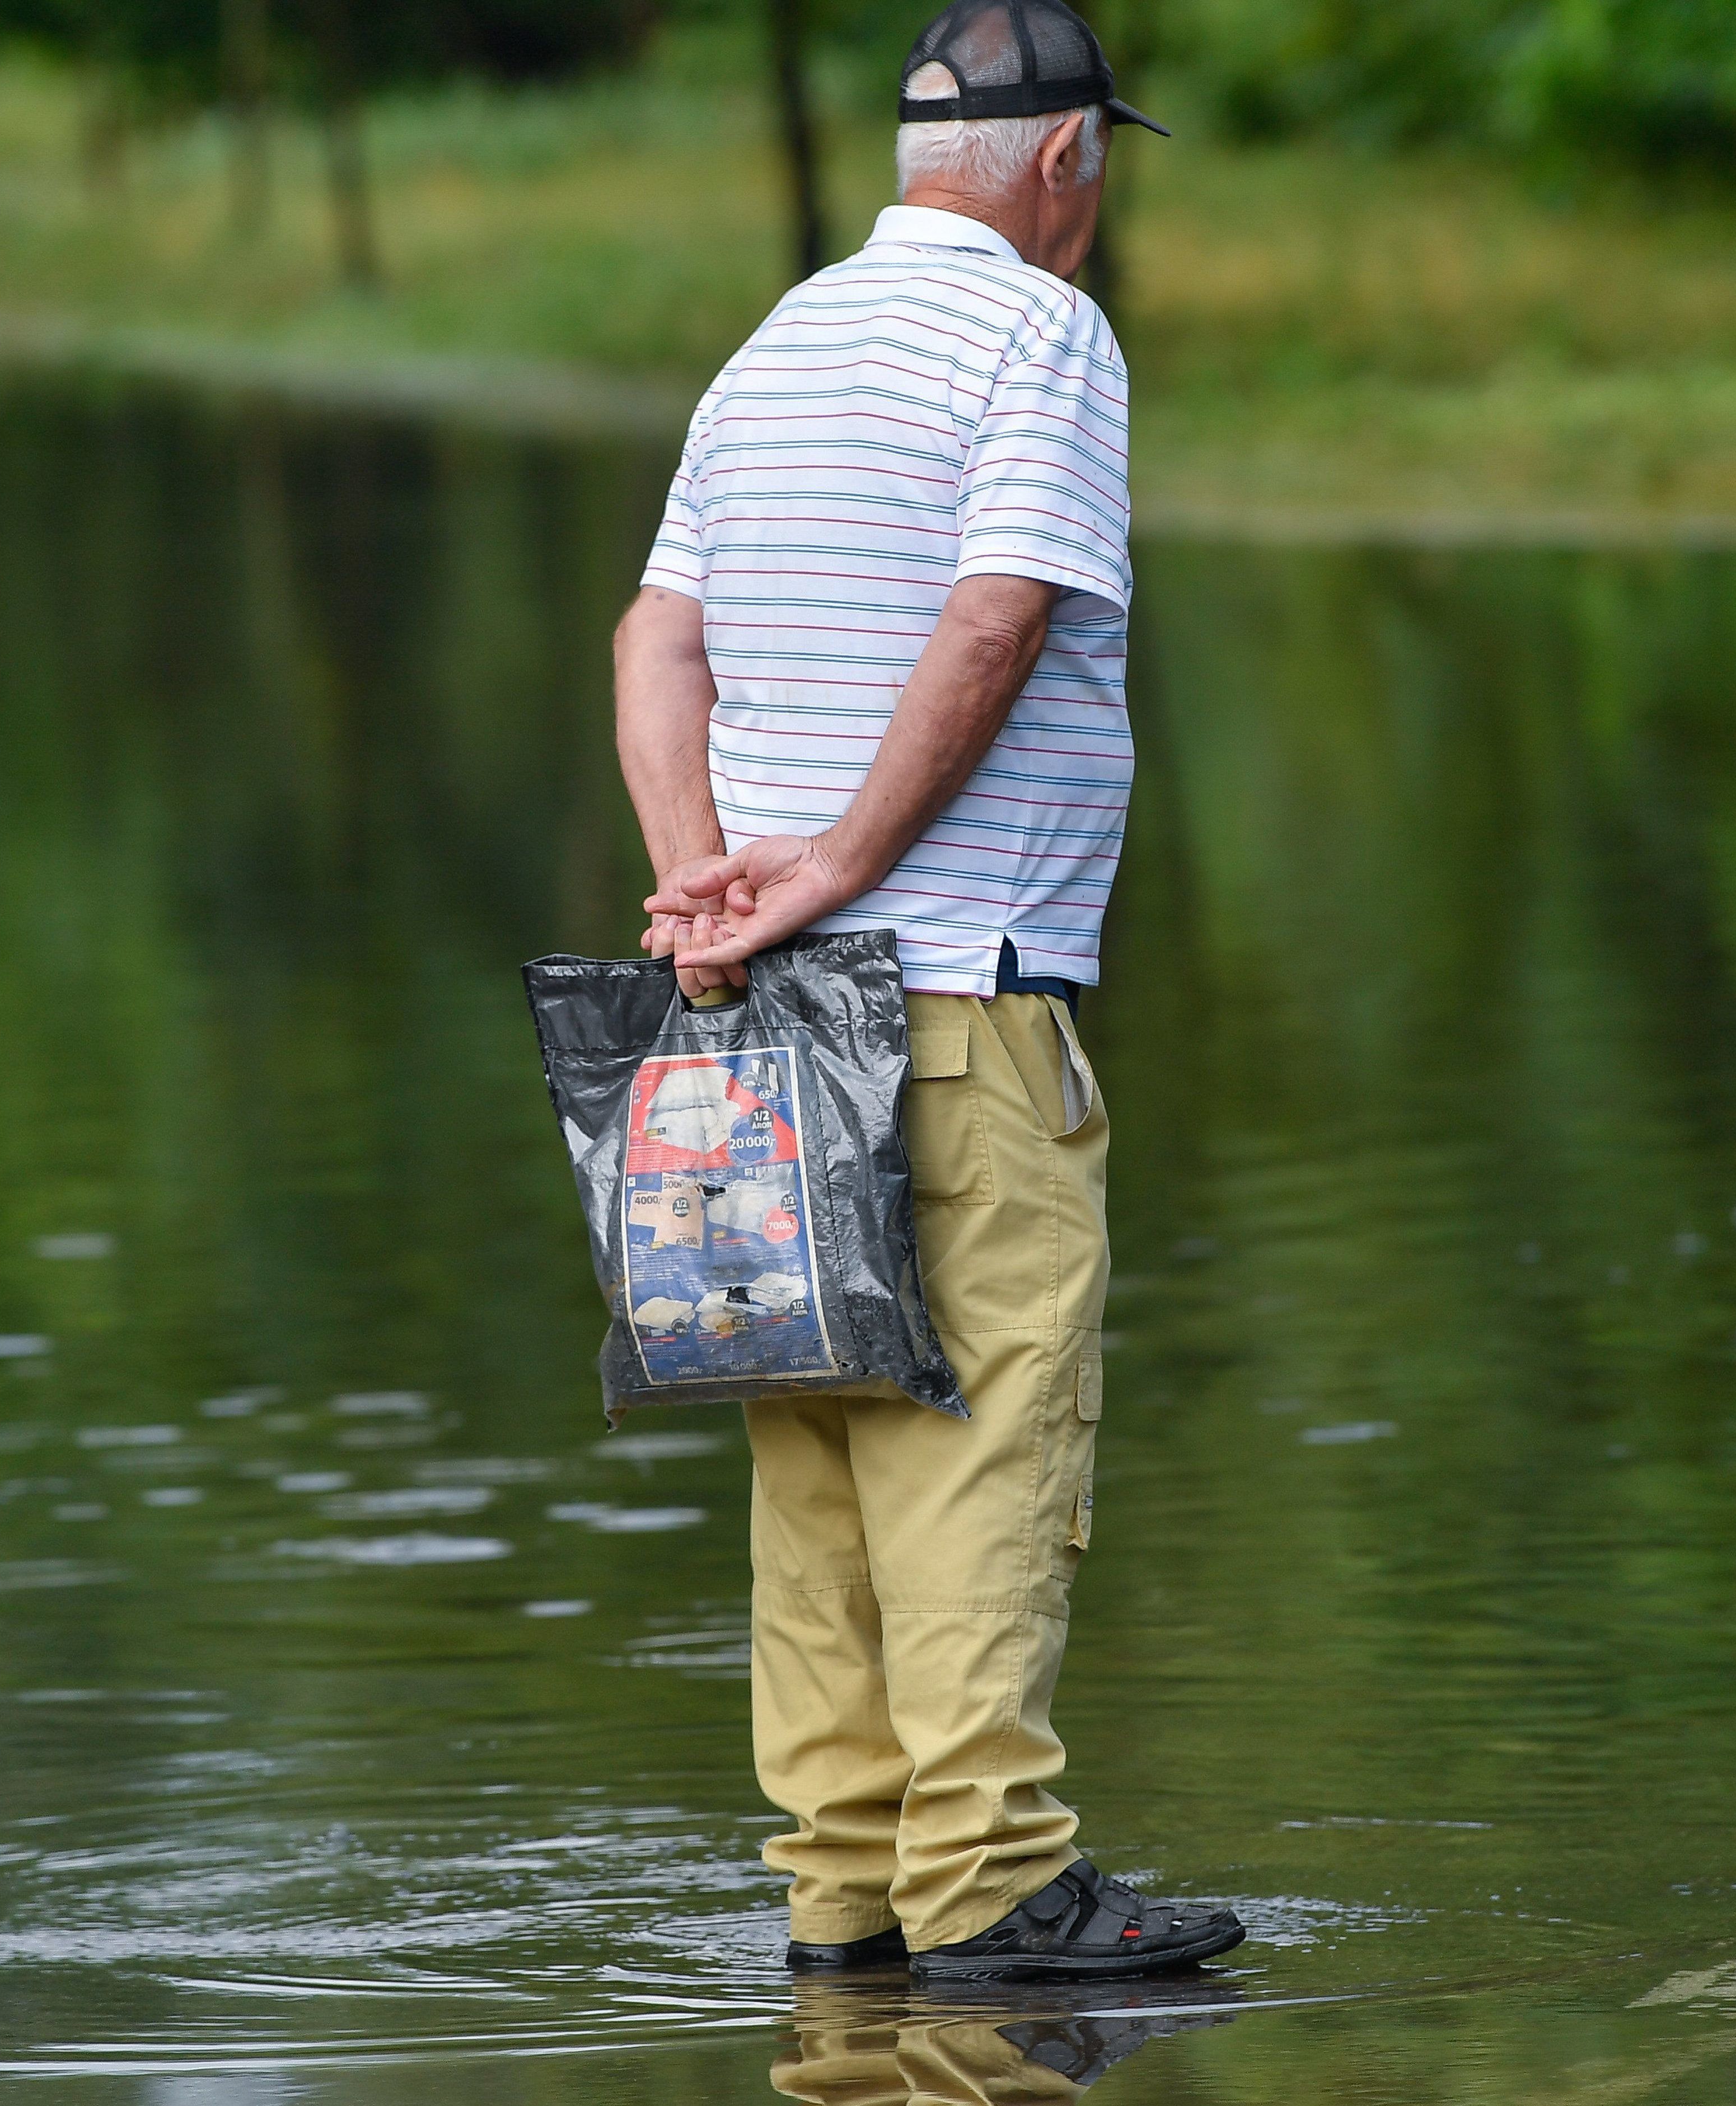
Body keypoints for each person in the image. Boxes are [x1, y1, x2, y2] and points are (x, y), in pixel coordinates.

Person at [609, 0, 1243, 1986]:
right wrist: (846, 862)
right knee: (977, 1446)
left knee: (813, 1464)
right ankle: (993, 1883)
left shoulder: (776, 340)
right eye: (1102, 160)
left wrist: (704, 873)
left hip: (753, 1020)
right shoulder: (1044, 334)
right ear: (1067, 161)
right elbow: (999, 611)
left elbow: (657, 632)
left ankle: (849, 1894)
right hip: (958, 998)